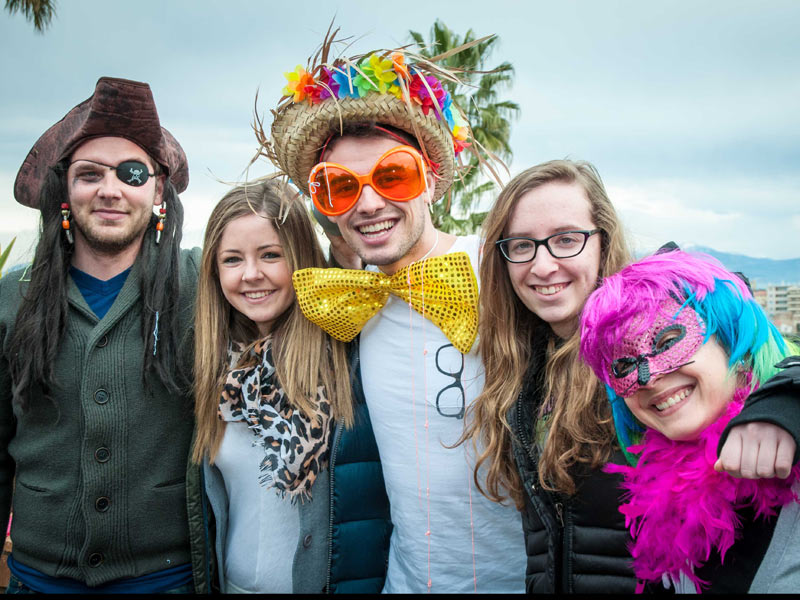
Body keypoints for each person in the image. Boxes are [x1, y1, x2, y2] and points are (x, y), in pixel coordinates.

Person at [256, 33, 527, 592]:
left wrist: (761, 410)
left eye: (392, 175)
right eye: (340, 188)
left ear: (430, 179)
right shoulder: (342, 307)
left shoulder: (505, 273)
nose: (370, 204)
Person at [460, 159, 800, 593]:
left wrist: (782, 407)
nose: (543, 266)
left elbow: (761, 349)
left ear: (603, 240)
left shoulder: (670, 315)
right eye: (522, 245)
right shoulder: (517, 360)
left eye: (566, 240)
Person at [0, 77, 212, 592]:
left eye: (131, 173)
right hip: (37, 579)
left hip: (165, 580)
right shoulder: (13, 297)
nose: (110, 190)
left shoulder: (204, 286)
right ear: (66, 191)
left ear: (158, 189)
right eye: (89, 174)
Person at [191, 179, 390, 593]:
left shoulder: (345, 351)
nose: (251, 275)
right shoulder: (215, 365)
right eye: (231, 259)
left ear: (299, 256)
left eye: (270, 255)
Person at [580, 249, 800, 593]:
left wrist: (788, 402)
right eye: (623, 365)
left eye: (668, 341)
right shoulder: (651, 496)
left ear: (730, 339)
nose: (649, 378)